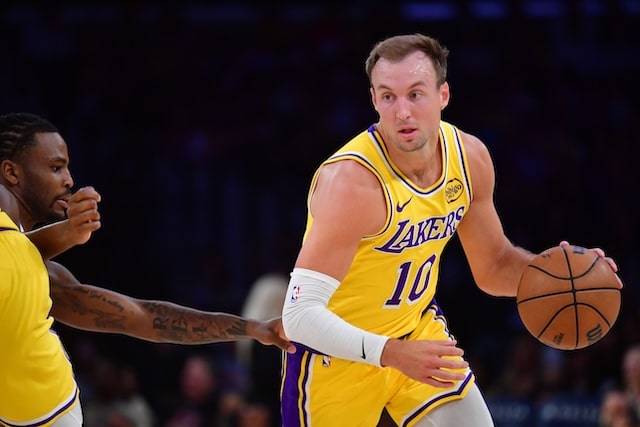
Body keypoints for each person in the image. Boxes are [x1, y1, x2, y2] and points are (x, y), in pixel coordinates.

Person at [280, 33, 622, 427]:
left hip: (415, 333)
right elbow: (300, 314)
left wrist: (559, 274)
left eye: (415, 94)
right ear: (374, 100)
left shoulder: (470, 158)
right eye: (388, 97)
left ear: (443, 94)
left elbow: (494, 265)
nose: (402, 112)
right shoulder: (351, 183)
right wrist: (389, 353)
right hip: (336, 352)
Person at [0, 111, 293, 427]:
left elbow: (144, 317)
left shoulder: (39, 271)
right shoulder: (12, 228)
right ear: (11, 172)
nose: (70, 180)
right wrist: (68, 233)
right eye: (56, 167)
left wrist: (252, 328)